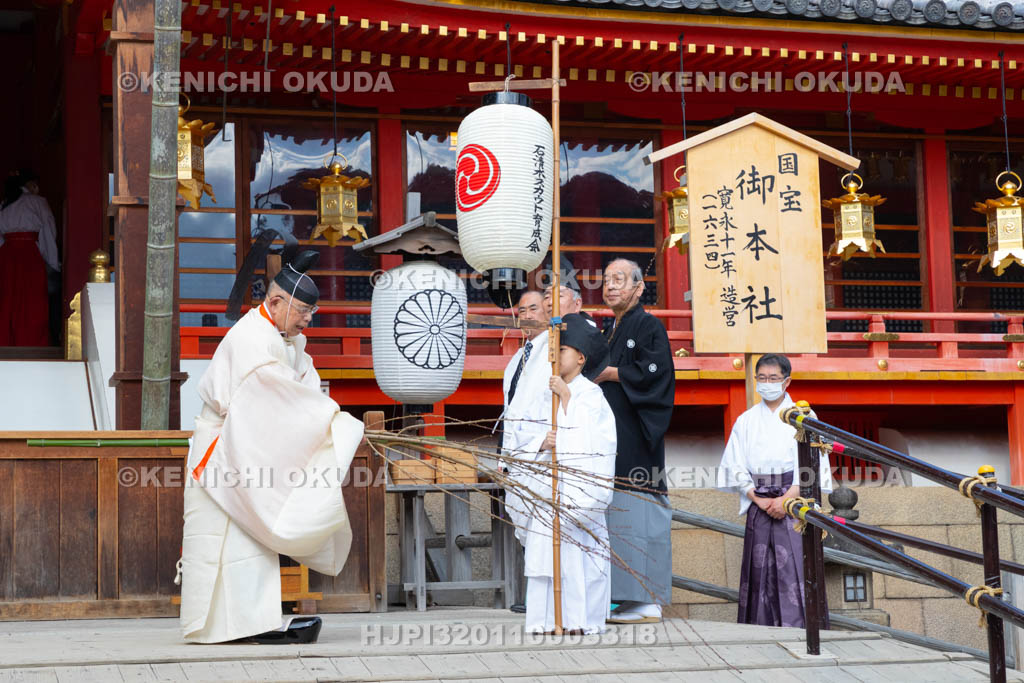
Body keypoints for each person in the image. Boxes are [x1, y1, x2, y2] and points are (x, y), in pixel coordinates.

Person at [179, 250, 363, 644]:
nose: (307, 319)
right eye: (303, 311)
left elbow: (303, 391)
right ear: (276, 302)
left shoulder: (288, 340)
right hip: (224, 452)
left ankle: (251, 624)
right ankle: (222, 627)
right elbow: (280, 399)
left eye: (311, 312)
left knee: (249, 543)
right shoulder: (253, 339)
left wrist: (324, 417)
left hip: (245, 449)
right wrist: (332, 420)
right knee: (221, 541)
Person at [516, 313, 617, 634]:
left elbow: (598, 445)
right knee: (545, 558)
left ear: (581, 358)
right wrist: (540, 442)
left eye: (562, 350)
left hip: (576, 496)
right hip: (546, 492)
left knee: (580, 559)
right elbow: (523, 434)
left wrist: (568, 399)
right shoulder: (543, 393)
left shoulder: (591, 396)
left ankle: (578, 621)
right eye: (554, 350)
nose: (555, 356)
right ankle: (545, 620)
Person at [717, 354, 833, 628]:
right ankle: (759, 631)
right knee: (759, 573)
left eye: (773, 378)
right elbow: (735, 464)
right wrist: (755, 497)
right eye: (762, 378)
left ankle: (804, 632)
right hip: (759, 502)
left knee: (797, 569)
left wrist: (787, 499)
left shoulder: (804, 417)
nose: (767, 383)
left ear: (786, 381)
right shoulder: (745, 420)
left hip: (795, 503)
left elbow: (813, 464)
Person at [595, 258, 675, 624]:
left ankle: (647, 600)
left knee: (640, 516)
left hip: (637, 437)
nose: (610, 286)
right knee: (616, 518)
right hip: (613, 438)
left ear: (639, 288)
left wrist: (612, 373)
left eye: (619, 279)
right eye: (606, 280)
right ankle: (624, 598)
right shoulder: (610, 329)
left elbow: (656, 374)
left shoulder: (649, 325)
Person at [500, 290, 550, 612]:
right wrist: (504, 459)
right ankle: (535, 595)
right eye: (522, 310)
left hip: (542, 450)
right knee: (521, 521)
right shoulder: (518, 357)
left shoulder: (555, 351)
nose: (528, 315)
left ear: (547, 312)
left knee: (541, 523)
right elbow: (509, 411)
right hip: (516, 454)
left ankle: (544, 597)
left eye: (534, 308)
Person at [0, 170, 60, 346]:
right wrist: (52, 262)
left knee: (7, 300)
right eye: (36, 184)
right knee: (32, 302)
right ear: (29, 184)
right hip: (30, 256)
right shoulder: (38, 202)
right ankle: (33, 343)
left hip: (6, 256)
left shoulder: (4, 204)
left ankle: (5, 342)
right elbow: (48, 232)